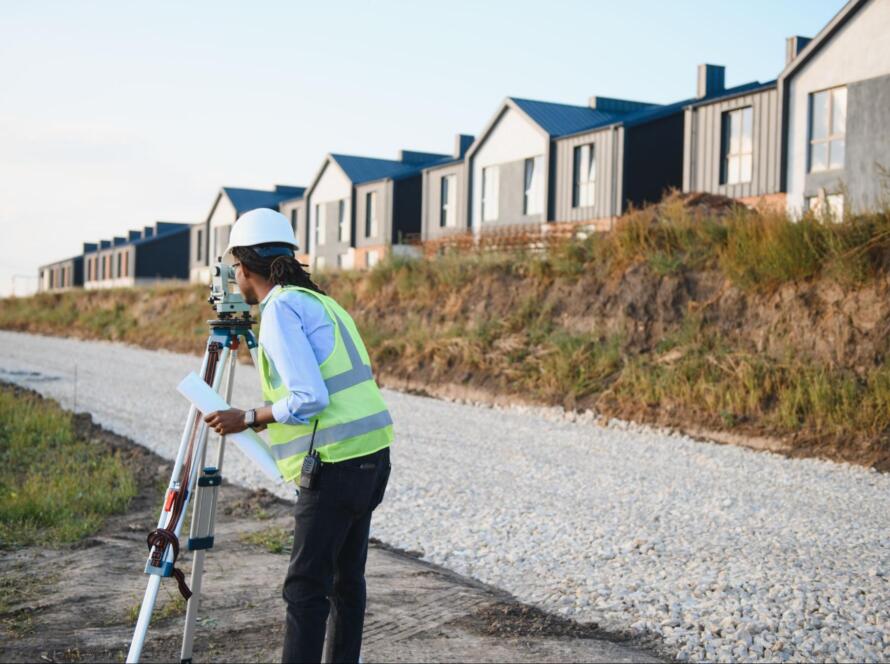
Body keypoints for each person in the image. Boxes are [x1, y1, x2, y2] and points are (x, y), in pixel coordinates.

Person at [203, 208, 393, 664]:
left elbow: (310, 396)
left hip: (335, 465)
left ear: (243, 268)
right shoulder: (322, 302)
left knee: (306, 589)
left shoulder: (280, 309)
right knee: (347, 582)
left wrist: (248, 417)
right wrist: (266, 417)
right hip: (372, 455)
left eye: (234, 268)